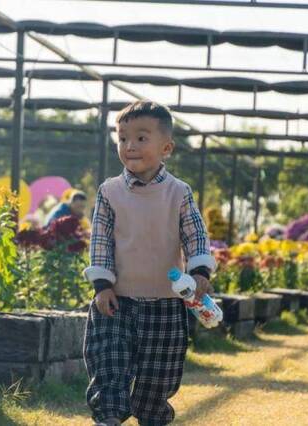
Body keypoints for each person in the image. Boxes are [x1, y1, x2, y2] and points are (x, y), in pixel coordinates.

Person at [82, 101, 216, 426]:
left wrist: (199, 271)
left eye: (141, 138)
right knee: (109, 365)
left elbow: (195, 234)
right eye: (123, 137)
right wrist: (102, 285)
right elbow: (100, 239)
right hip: (117, 300)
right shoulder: (109, 192)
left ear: (166, 147)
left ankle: (153, 417)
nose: (130, 146)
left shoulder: (179, 193)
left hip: (167, 304)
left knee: (159, 377)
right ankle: (108, 418)